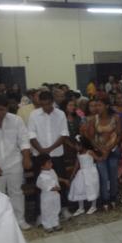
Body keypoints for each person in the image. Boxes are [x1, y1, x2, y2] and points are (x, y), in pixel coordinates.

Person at [0, 95, 32, 230]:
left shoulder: (16, 120)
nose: (2, 113)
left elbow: (24, 140)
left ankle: (20, 220)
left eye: (5, 110)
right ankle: (0, 223)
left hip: (14, 162)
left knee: (17, 193)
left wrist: (26, 158)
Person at [28, 91, 71, 220]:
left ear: (52, 102)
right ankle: (40, 214)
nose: (46, 107)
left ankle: (63, 209)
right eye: (43, 104)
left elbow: (64, 134)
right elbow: (31, 135)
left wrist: (50, 149)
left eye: (48, 104)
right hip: (39, 156)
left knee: (59, 182)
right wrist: (41, 150)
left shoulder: (60, 114)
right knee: (40, 185)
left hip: (56, 154)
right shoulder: (34, 115)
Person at [85, 95, 121, 211]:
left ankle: (113, 198)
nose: (97, 108)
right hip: (99, 150)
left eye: (99, 105)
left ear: (106, 106)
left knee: (113, 174)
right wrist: (102, 150)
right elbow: (91, 138)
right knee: (103, 176)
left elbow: (118, 135)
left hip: (113, 149)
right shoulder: (93, 119)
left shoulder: (115, 117)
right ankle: (105, 200)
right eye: (96, 105)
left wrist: (109, 149)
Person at [68, 136, 100, 216]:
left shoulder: (89, 152)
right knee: (79, 188)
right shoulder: (78, 154)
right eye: (75, 145)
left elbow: (97, 159)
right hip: (82, 173)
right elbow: (77, 165)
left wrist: (102, 157)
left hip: (90, 172)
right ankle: (81, 208)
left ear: (83, 145)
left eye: (77, 145)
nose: (76, 147)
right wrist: (73, 175)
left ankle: (93, 206)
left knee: (92, 188)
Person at [36, 154, 68, 233]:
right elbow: (42, 185)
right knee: (47, 210)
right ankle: (47, 225)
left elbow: (56, 178)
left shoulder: (52, 171)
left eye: (51, 162)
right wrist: (54, 188)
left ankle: (55, 223)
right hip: (47, 197)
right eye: (49, 163)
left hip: (55, 195)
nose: (51, 164)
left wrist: (63, 180)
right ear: (42, 166)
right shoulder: (41, 176)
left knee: (56, 209)